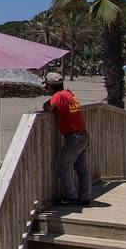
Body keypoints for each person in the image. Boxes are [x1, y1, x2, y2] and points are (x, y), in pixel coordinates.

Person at [42, 72, 91, 205]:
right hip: (83, 134)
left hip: (74, 137)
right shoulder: (69, 94)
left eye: (47, 86)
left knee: (62, 167)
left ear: (49, 86)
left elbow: (47, 107)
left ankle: (71, 196)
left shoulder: (58, 96)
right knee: (82, 169)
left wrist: (49, 100)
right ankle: (85, 196)